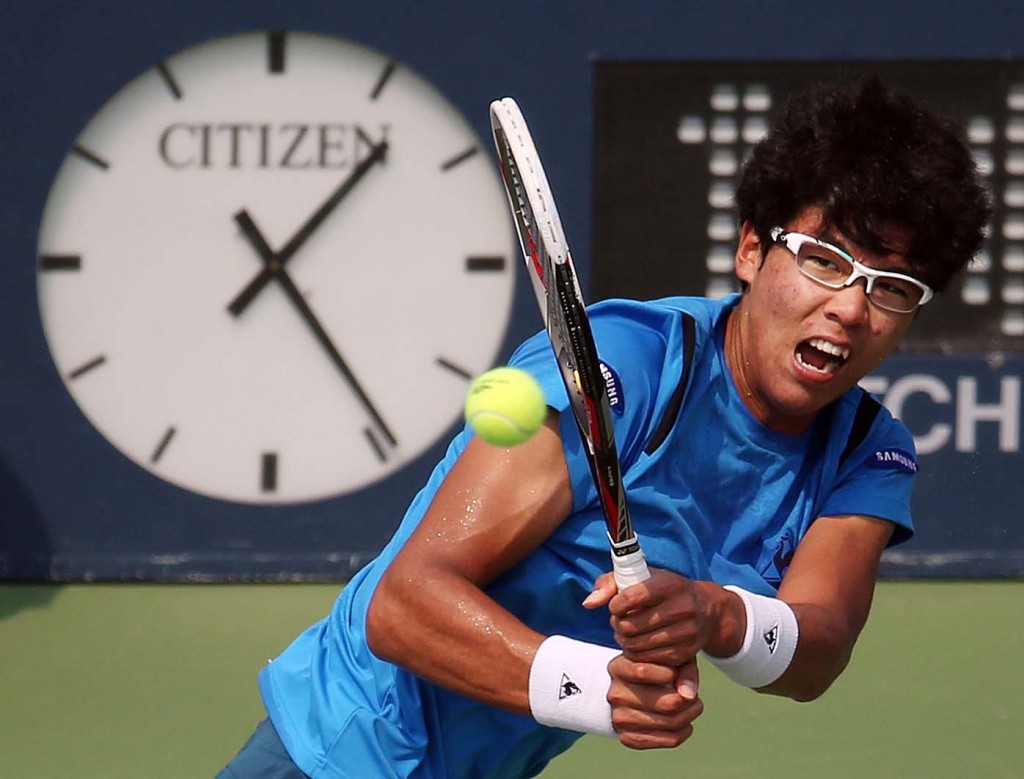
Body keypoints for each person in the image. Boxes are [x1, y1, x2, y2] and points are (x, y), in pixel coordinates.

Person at [216, 75, 990, 778]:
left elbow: (817, 647)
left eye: (892, 286)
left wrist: (716, 612)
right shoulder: (626, 367)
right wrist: (600, 691)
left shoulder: (865, 450)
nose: (852, 308)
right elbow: (404, 605)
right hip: (338, 746)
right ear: (752, 249)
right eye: (825, 259)